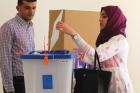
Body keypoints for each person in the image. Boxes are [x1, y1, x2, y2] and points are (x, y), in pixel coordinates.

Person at [56, 5, 134, 93]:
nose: (100, 19)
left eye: (104, 16)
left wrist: (74, 34)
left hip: (121, 90)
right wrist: (78, 55)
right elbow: (96, 61)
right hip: (106, 88)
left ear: (114, 20)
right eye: (100, 16)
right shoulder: (105, 40)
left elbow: (97, 55)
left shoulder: (120, 40)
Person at [0, 0, 37, 93]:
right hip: (17, 82)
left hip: (30, 79)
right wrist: (9, 88)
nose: (31, 11)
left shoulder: (30, 27)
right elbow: (4, 58)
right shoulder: (8, 27)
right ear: (18, 8)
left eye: (34, 8)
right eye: (27, 8)